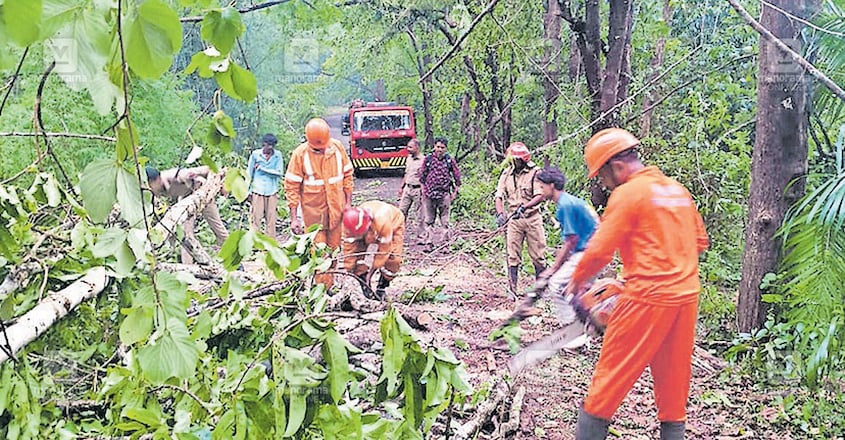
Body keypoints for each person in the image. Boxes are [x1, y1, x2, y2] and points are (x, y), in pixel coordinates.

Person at [565, 128, 709, 440]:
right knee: (673, 392)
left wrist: (577, 283)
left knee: (606, 385)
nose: (602, 183)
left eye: (601, 176)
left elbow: (600, 251)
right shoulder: (677, 190)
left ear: (615, 166)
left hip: (646, 298)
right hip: (685, 297)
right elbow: (698, 242)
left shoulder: (628, 194)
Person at [284, 118, 354, 290]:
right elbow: (292, 186)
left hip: (336, 213)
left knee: (334, 252)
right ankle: (321, 291)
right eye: (317, 148)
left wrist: (348, 204)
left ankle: (330, 287)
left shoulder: (337, 149)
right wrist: (294, 218)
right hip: (314, 217)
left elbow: (347, 176)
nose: (322, 150)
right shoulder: (300, 155)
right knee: (319, 255)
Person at [146, 165, 229, 264]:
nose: (149, 187)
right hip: (186, 201)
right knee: (186, 236)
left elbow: (208, 169)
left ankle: (232, 258)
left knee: (217, 227)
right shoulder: (155, 189)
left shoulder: (178, 175)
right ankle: (188, 266)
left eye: (150, 184)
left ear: (156, 180)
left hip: (202, 195)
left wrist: (221, 184)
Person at [494, 142, 547, 296]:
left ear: (523, 159)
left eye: (516, 159)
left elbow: (540, 195)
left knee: (538, 255)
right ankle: (513, 290)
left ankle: (539, 291)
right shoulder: (506, 174)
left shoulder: (535, 173)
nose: (514, 162)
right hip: (514, 220)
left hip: (532, 218)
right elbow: (499, 196)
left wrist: (524, 207)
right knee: (512, 255)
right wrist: (500, 213)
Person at [341, 201, 405, 300]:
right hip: (369, 227)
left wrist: (370, 274)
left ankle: (382, 287)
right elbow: (349, 249)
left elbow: (383, 252)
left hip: (393, 224)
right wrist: (349, 268)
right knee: (358, 260)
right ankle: (365, 286)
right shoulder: (349, 224)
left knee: (393, 259)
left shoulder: (382, 222)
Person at [418, 137, 461, 249]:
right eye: (438, 147)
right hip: (429, 194)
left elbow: (457, 176)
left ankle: (445, 244)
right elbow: (422, 176)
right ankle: (429, 242)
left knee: (445, 221)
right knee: (429, 220)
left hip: (444, 194)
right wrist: (423, 190)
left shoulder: (449, 160)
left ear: (446, 148)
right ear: (434, 147)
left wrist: (455, 192)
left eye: (442, 147)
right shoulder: (428, 159)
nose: (440, 149)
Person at [247, 133, 284, 240]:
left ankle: (270, 242)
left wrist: (262, 169)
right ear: (263, 144)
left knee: (271, 218)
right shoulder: (255, 155)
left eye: (272, 145)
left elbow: (279, 172)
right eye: (268, 145)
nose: (270, 148)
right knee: (256, 217)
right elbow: (249, 173)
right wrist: (247, 191)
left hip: (272, 190)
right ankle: (255, 241)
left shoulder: (277, 155)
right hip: (257, 189)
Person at [397, 138, 425, 236]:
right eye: (408, 147)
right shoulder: (408, 158)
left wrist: (424, 191)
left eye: (410, 147)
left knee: (420, 213)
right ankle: (400, 232)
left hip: (418, 190)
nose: (408, 149)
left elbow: (425, 177)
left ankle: (421, 234)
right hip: (407, 189)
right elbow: (406, 174)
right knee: (401, 211)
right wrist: (401, 187)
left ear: (417, 148)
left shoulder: (423, 161)